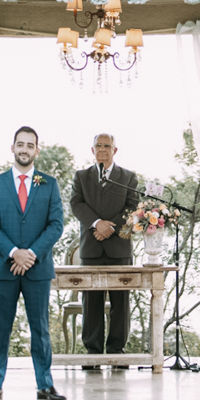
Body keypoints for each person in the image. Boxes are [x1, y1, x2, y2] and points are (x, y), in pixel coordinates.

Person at [0, 126, 66, 400]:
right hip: (3, 268)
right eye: (20, 144)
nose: (25, 149)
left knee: (40, 329)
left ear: (36, 150)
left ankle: (45, 384)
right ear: (13, 148)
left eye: (30, 145)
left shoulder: (49, 184)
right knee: (1, 329)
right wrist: (13, 252)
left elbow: (56, 225)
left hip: (37, 269)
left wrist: (30, 254)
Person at [70, 133, 139, 366]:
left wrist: (109, 227)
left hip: (120, 248)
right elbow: (76, 204)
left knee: (121, 302)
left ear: (114, 150)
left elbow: (133, 207)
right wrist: (96, 223)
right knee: (91, 302)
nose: (102, 149)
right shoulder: (81, 177)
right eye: (98, 145)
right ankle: (93, 353)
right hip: (91, 249)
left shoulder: (128, 177)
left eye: (106, 146)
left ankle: (117, 352)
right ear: (92, 150)